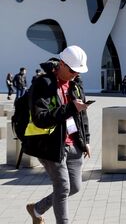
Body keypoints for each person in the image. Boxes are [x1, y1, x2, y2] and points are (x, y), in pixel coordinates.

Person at [25, 45, 91, 224]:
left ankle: (36, 208)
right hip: (51, 145)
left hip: (74, 143)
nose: (75, 74)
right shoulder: (43, 84)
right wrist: (70, 108)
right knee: (62, 188)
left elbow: (82, 114)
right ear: (61, 64)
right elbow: (40, 118)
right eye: (72, 70)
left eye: (78, 71)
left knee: (74, 187)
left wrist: (86, 141)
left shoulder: (76, 84)